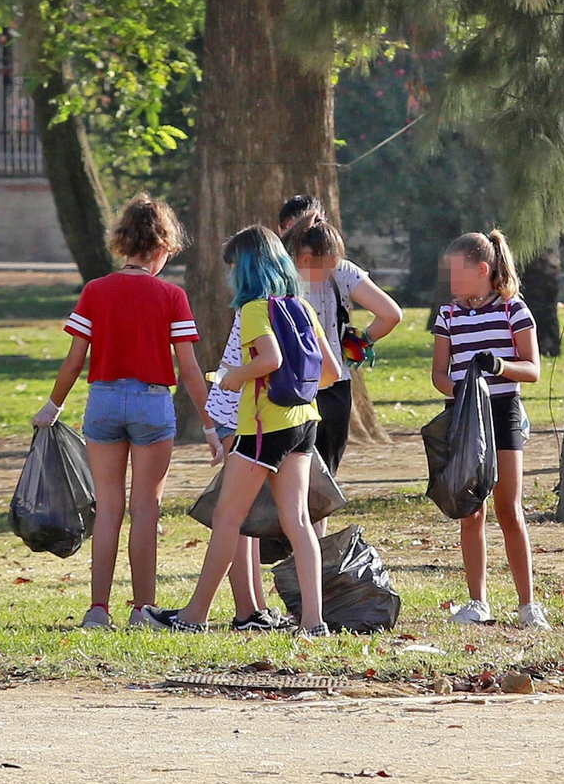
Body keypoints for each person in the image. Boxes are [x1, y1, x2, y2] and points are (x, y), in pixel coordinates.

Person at [140, 225, 342, 635]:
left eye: (233, 267)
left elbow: (269, 359)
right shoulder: (302, 307)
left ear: (248, 269)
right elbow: (331, 372)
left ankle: (194, 616)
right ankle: (314, 621)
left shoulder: (254, 309)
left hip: (262, 427)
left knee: (226, 517)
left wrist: (237, 377)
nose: (230, 275)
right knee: (297, 520)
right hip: (304, 423)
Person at [32, 195, 220, 630]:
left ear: (123, 241)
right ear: (162, 246)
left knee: (108, 507)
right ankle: (143, 609)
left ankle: (98, 609)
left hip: (102, 400)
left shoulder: (96, 291)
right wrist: (210, 425)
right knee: (146, 507)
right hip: (152, 402)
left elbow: (74, 360)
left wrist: (53, 405)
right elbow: (189, 370)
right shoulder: (171, 296)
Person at [430, 230, 550, 630]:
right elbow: (439, 374)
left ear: (482, 270)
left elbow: (532, 368)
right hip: (465, 417)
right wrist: (462, 389)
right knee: (472, 512)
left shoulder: (514, 309)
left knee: (508, 509)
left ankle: (527, 604)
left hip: (502, 412)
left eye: (457, 272)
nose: (451, 281)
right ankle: (477, 601)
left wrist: (498, 366)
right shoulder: (448, 315)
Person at [278, 196, 403, 528]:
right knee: (321, 484)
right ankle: (313, 554)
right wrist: (361, 342)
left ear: (283, 229)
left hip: (286, 388)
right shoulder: (341, 270)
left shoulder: (274, 273)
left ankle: (287, 554)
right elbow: (391, 314)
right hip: (334, 388)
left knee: (282, 482)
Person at [204, 311, 295, 632]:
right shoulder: (260, 306)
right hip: (240, 411)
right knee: (238, 518)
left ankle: (254, 607)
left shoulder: (262, 306)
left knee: (243, 516)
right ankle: (248, 608)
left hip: (246, 411)